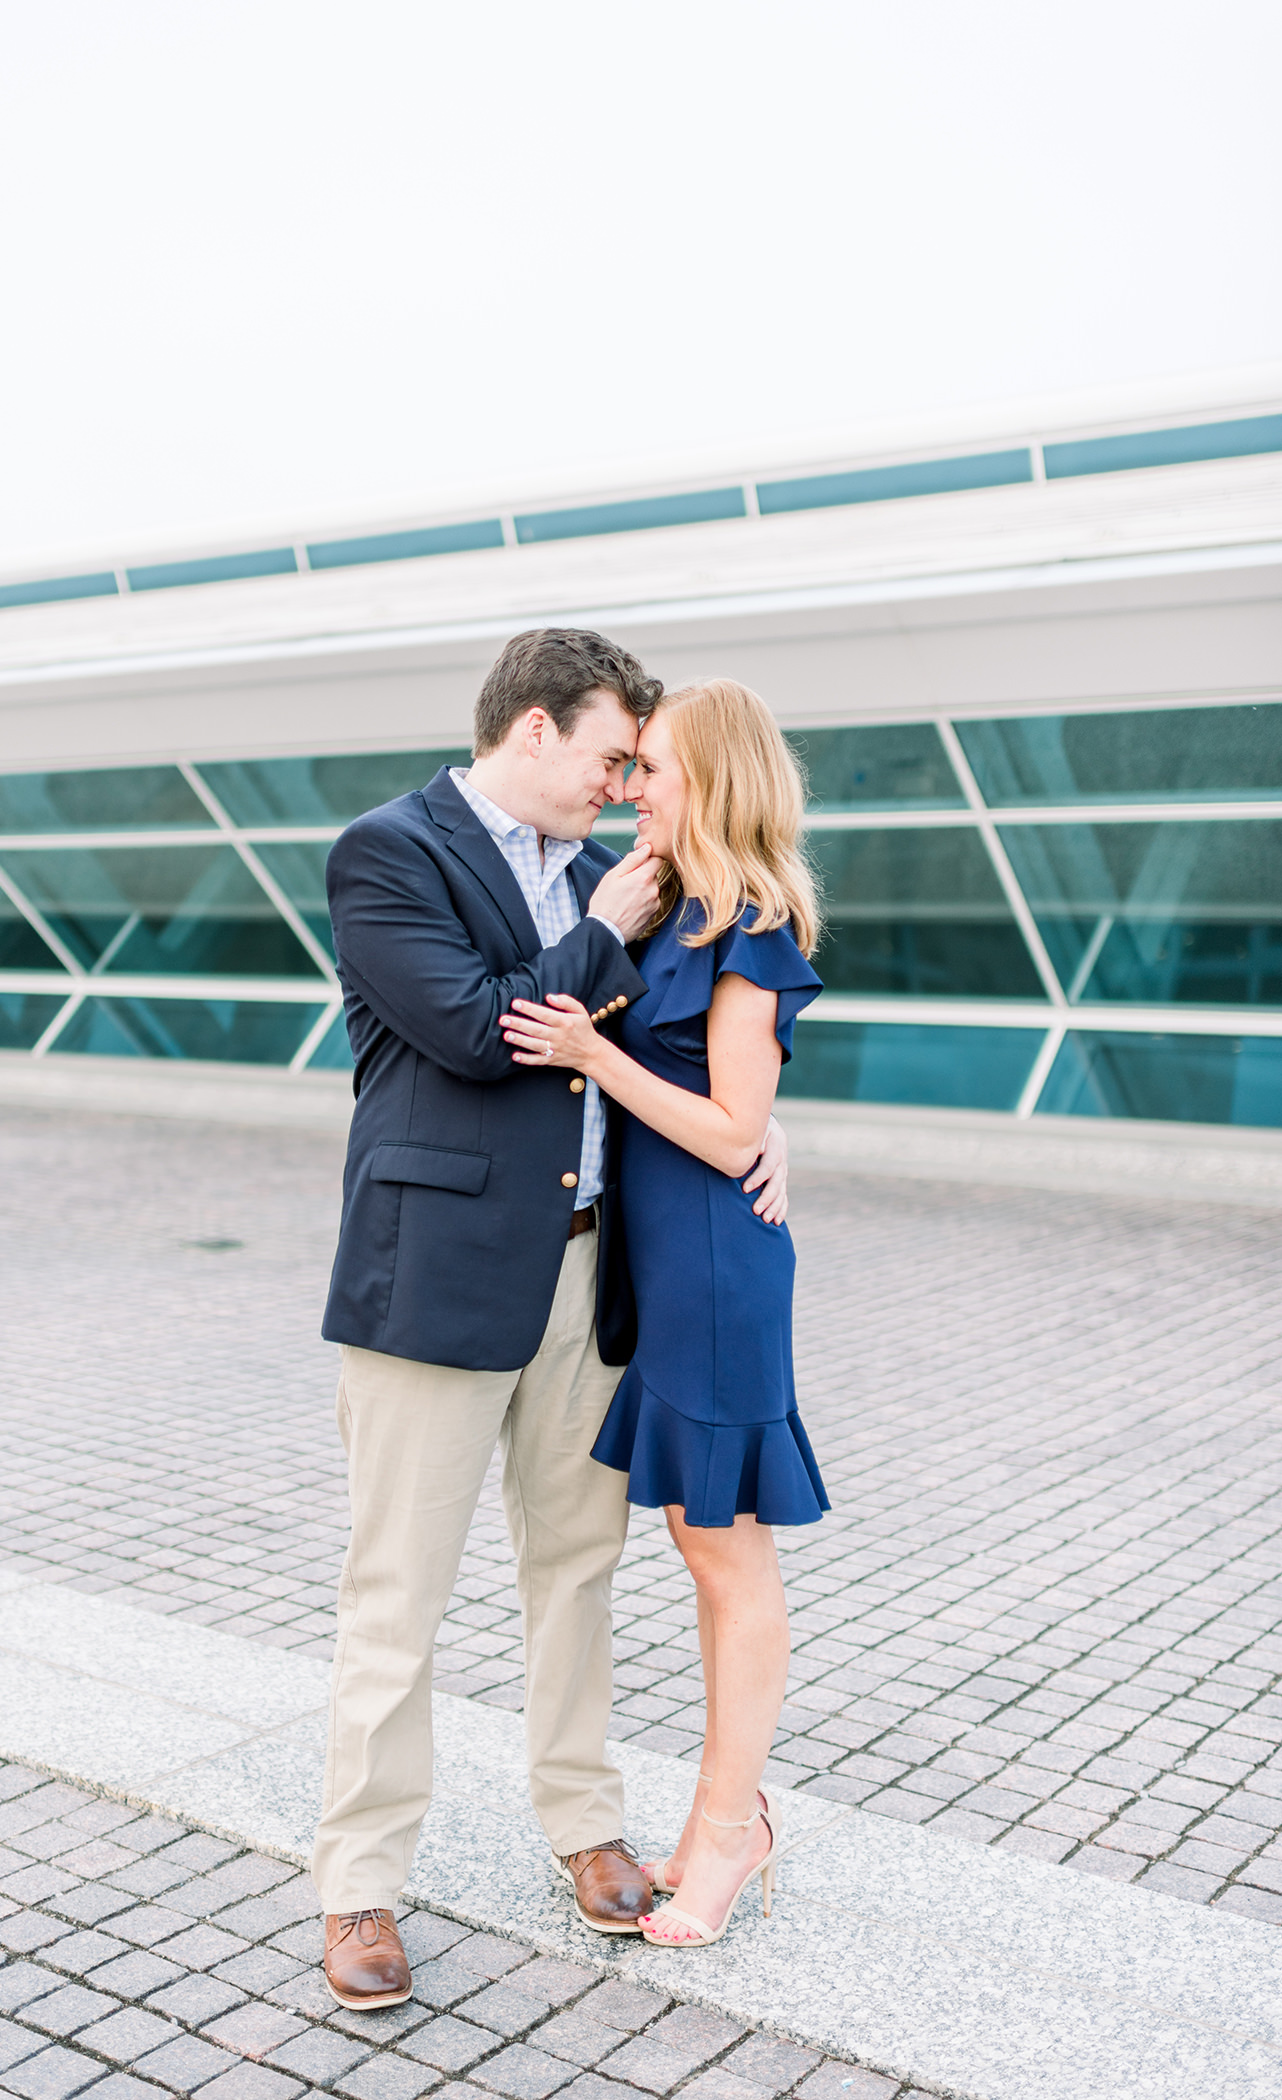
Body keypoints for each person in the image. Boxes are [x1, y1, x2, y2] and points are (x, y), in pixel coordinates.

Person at [314, 631, 792, 2009]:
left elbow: (679, 1058)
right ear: (534, 730)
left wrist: (767, 1136)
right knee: (394, 1598)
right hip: (430, 1280)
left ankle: (582, 1825)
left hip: (590, 1278)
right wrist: (610, 933)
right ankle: (358, 1890)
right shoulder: (387, 851)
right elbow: (479, 1029)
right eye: (608, 756)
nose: (620, 782)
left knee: (575, 1576)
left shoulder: (601, 871)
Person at [502, 677, 829, 1950]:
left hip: (718, 1271)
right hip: (660, 1267)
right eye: (629, 766)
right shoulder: (664, 916)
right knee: (703, 1553)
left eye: (655, 768)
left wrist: (598, 1055)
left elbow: (730, 1124)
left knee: (727, 1555)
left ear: (715, 778)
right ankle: (726, 1816)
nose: (633, 785)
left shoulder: (751, 923)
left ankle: (730, 1826)